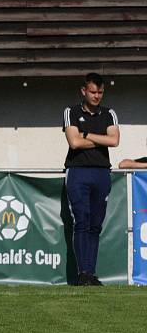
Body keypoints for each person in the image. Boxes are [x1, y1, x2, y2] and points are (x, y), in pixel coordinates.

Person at [62, 72, 120, 286]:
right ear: (83, 91)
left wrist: (86, 135)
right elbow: (74, 143)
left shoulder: (109, 114)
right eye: (93, 92)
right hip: (78, 172)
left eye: (100, 92)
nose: (97, 96)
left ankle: (91, 273)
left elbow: (114, 141)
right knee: (82, 221)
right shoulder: (71, 112)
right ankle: (83, 273)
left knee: (95, 224)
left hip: (101, 173)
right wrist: (99, 139)